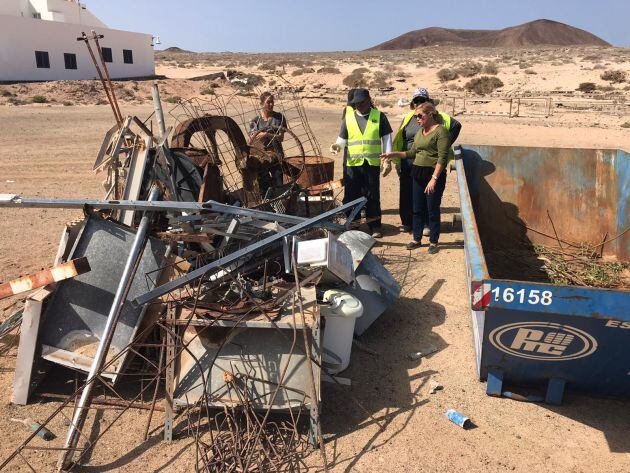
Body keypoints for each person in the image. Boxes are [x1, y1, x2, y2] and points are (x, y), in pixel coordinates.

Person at [381, 102, 450, 253]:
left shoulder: (441, 132)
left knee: (432, 208)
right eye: (416, 116)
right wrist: (394, 154)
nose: (417, 119)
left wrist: (434, 179)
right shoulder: (420, 132)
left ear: (430, 115)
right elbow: (412, 153)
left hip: (433, 174)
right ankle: (416, 238)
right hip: (417, 173)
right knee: (417, 208)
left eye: (420, 116)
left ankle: (433, 241)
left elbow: (442, 158)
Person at [392, 88, 461, 234]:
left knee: (428, 195)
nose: (419, 103)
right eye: (416, 101)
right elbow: (401, 138)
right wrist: (396, 160)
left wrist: (443, 145)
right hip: (409, 161)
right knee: (407, 193)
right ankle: (408, 223)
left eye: (422, 100)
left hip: (429, 162)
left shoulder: (438, 116)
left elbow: (456, 126)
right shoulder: (409, 117)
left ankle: (427, 225)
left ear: (428, 102)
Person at [330, 88, 392, 238]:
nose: (360, 106)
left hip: (371, 163)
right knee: (352, 194)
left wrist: (388, 160)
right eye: (356, 103)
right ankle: (354, 224)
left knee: (372, 194)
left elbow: (387, 138)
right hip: (353, 164)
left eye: (362, 102)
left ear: (369, 100)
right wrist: (337, 146)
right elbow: (342, 139)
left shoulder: (379, 116)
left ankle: (375, 225)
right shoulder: (349, 118)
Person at [248, 92, 287, 198]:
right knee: (263, 186)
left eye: (272, 102)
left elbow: (281, 138)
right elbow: (251, 139)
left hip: (276, 156)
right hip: (261, 158)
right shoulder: (255, 121)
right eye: (268, 102)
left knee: (278, 182)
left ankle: (281, 204)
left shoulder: (279, 118)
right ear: (261, 104)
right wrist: (256, 135)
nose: (271, 104)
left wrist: (267, 134)